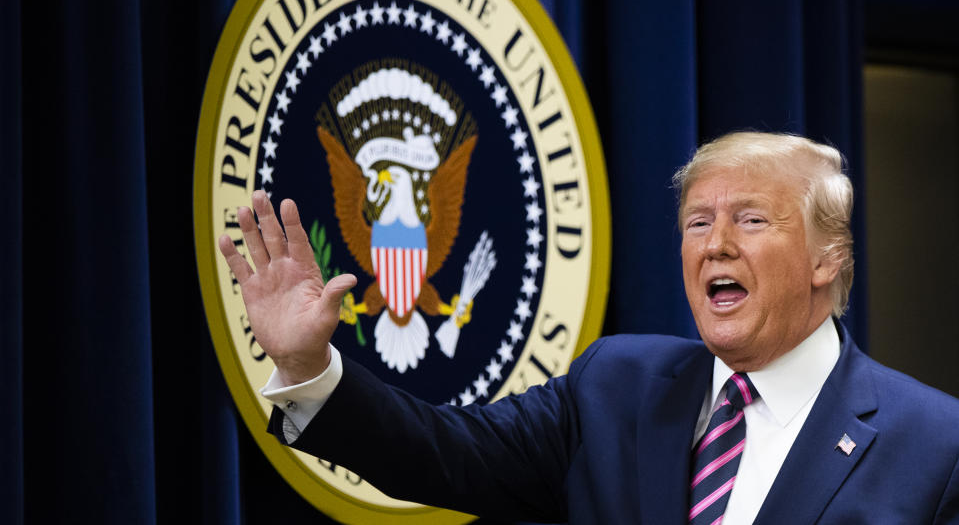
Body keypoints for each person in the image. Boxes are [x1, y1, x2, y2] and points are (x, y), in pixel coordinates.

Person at [219, 132, 959, 524]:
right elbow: (443, 453)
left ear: (827, 259)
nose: (715, 244)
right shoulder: (614, 383)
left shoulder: (934, 443)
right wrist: (311, 363)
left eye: (751, 220)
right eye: (697, 221)